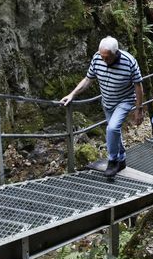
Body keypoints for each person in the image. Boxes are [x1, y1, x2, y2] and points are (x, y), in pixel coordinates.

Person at [59, 37, 144, 178]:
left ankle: (112, 161)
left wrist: (139, 109)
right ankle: (121, 160)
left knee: (112, 128)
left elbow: (138, 85)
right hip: (107, 101)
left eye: (107, 57)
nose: (104, 60)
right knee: (114, 132)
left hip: (124, 100)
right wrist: (72, 94)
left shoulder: (129, 61)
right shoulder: (97, 58)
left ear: (116, 53)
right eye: (102, 56)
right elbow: (88, 79)